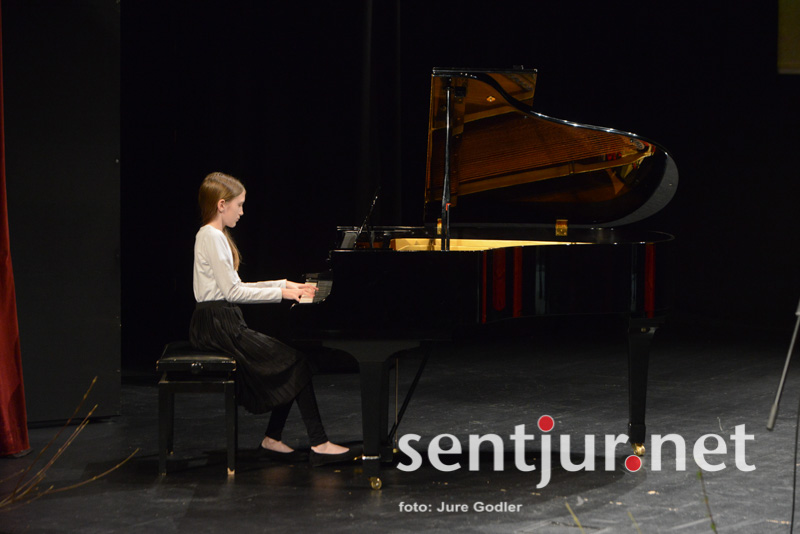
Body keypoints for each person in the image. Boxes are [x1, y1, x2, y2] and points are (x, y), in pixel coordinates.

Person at [189, 171, 358, 467]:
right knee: (296, 363)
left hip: (220, 320)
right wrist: (282, 293)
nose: (242, 212)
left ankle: (273, 439)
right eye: (239, 205)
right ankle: (318, 443)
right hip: (217, 326)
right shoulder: (211, 236)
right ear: (221, 204)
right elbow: (233, 292)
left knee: (294, 364)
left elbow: (234, 286)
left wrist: (285, 284)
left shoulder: (213, 235)